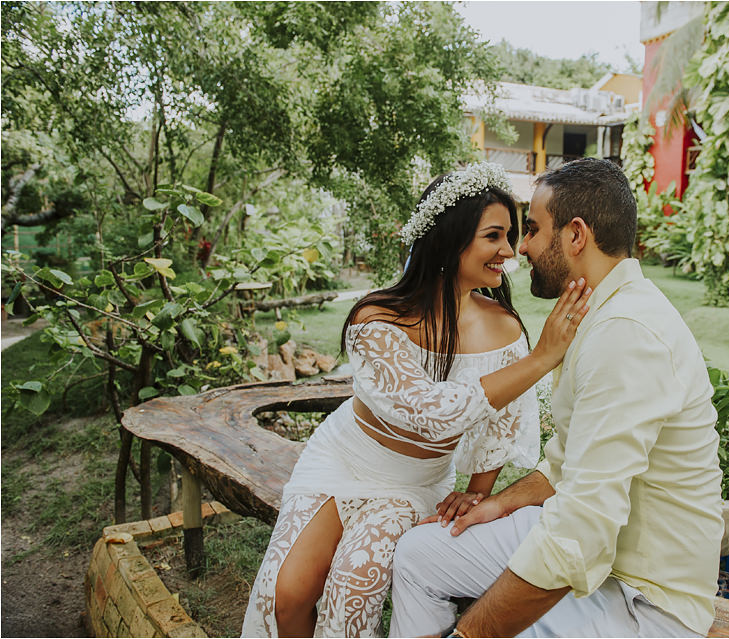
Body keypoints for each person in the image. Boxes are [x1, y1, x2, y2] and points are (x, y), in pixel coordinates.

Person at [241, 162, 592, 638]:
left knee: (351, 594)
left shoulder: (504, 329)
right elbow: (428, 413)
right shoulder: (377, 318)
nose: (509, 251)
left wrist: (478, 492)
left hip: (413, 483)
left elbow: (500, 426)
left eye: (511, 236)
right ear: (451, 238)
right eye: (494, 236)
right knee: (286, 594)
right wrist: (541, 359)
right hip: (343, 459)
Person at [389, 158, 724, 638]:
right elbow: (566, 462)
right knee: (421, 553)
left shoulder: (626, 334)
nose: (519, 247)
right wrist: (499, 505)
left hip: (642, 598)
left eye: (532, 229)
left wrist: (468, 636)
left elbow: (579, 532)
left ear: (576, 235)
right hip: (597, 554)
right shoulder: (597, 309)